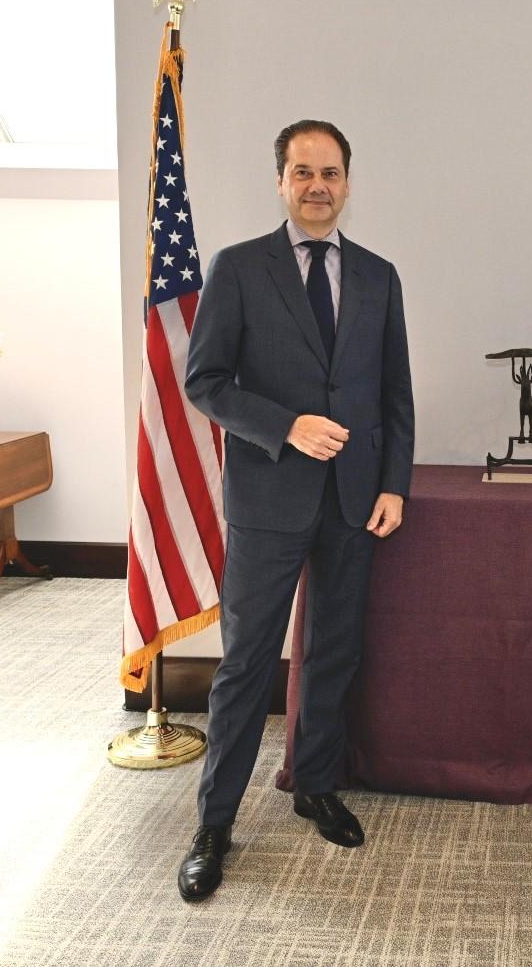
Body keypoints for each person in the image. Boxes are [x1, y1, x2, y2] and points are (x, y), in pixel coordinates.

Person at [177, 119, 414, 900]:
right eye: (303, 171)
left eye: (332, 172)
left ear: (348, 182)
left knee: (334, 651)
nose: (319, 186)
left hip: (354, 501)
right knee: (247, 664)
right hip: (268, 499)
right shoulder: (240, 268)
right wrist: (285, 426)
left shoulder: (379, 275)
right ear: (280, 180)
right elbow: (204, 381)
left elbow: (393, 396)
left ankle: (314, 783)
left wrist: (392, 483)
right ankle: (214, 822)